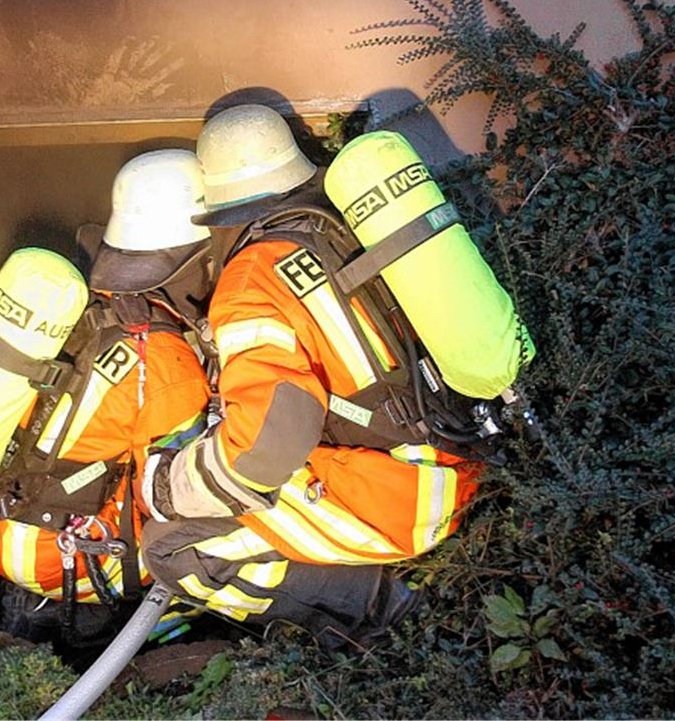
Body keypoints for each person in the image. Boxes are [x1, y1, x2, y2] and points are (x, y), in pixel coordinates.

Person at [141, 104, 484, 646]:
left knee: (173, 546)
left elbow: (266, 447)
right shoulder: (338, 226)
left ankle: (388, 617)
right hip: (458, 455)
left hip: (401, 502)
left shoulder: (249, 282)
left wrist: (168, 486)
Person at [0, 149, 217, 639]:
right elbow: (181, 495)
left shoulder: (75, 302)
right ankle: (160, 638)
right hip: (55, 557)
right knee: (217, 537)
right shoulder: (164, 359)